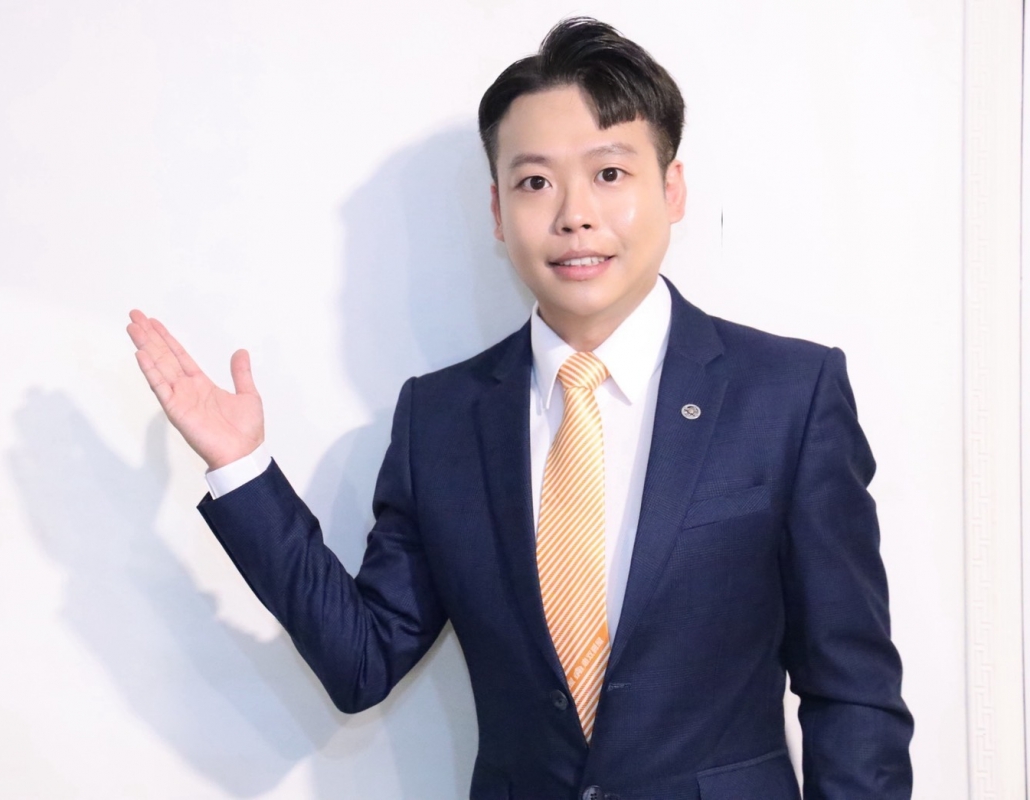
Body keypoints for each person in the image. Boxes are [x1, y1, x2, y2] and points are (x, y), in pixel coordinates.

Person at [126, 17, 913, 799]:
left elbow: (852, 693)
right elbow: (362, 662)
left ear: (672, 189)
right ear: (499, 212)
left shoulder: (788, 394)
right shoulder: (440, 421)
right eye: (535, 182)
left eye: (610, 173)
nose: (575, 214)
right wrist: (242, 469)